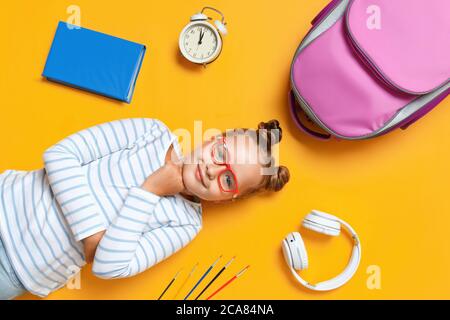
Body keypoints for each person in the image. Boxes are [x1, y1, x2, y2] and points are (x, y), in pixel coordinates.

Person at [0, 118, 290, 299]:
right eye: (220, 154)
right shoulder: (152, 133)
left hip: (19, 271)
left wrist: (150, 190)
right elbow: (60, 156)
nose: (213, 170)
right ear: (212, 139)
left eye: (228, 179)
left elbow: (108, 266)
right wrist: (92, 236)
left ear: (228, 198)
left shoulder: (185, 225)